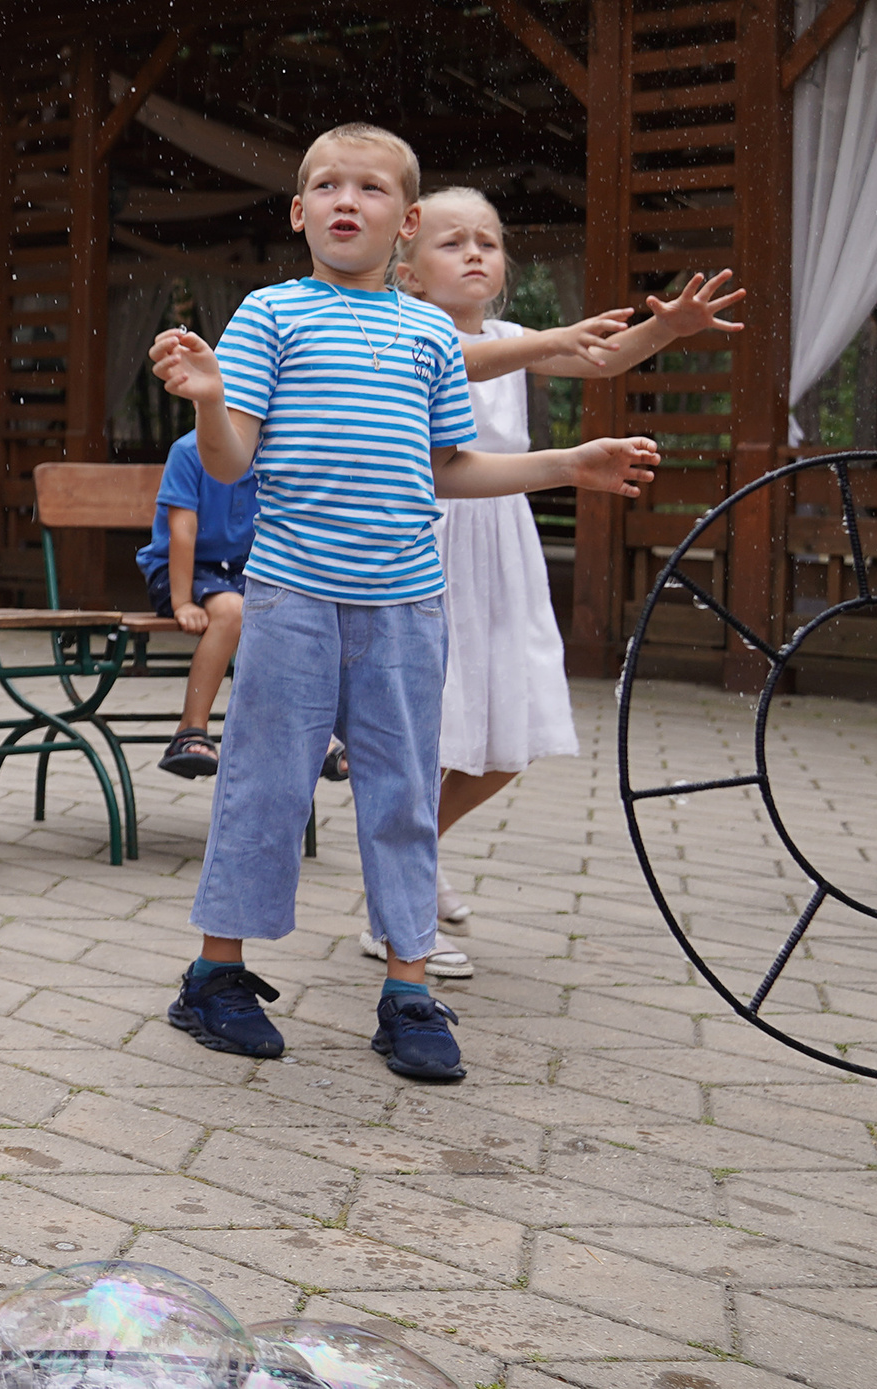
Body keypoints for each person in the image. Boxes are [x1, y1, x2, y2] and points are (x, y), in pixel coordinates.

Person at [148, 124, 658, 1083]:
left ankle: (409, 991)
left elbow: (449, 468)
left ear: (406, 220)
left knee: (402, 796)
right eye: (328, 186)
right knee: (263, 783)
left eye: (372, 187)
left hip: (408, 606)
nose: (349, 199)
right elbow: (230, 461)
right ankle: (215, 979)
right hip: (292, 597)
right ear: (300, 213)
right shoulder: (269, 314)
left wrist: (569, 465)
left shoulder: (430, 331)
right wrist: (211, 398)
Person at [384, 187, 744, 979]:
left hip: (501, 543)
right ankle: (399, 906)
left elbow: (601, 355)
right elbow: (473, 360)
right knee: (430, 729)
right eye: (452, 242)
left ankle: (414, 853)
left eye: (488, 240)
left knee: (508, 728)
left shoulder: (514, 334)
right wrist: (551, 340)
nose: (475, 252)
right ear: (406, 270)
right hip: (428, 537)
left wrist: (666, 327)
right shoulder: (405, 332)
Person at [138, 428, 259, 778]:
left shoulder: (273, 451)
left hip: (240, 569)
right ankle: (190, 728)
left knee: (293, 609)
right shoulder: (189, 451)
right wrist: (181, 603)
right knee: (231, 611)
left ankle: (315, 730)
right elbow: (183, 531)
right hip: (177, 569)